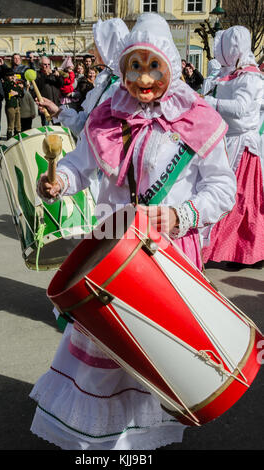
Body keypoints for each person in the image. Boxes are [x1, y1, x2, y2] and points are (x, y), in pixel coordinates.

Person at [30, 13, 236, 450]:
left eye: (153, 66)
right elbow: (77, 166)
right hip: (112, 254)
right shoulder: (106, 115)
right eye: (133, 67)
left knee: (155, 356)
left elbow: (223, 190)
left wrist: (181, 215)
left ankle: (140, 446)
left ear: (171, 65)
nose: (143, 78)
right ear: (121, 68)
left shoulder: (198, 118)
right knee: (105, 355)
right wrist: (58, 181)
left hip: (168, 256)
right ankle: (100, 447)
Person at [202, 26, 264, 267]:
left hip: (242, 147)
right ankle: (238, 253)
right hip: (227, 141)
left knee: (238, 200)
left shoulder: (249, 77)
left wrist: (209, 102)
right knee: (233, 199)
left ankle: (244, 252)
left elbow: (241, 108)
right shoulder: (232, 74)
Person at [35, 56, 63, 126]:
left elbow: (61, 84)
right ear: (41, 65)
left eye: (48, 64)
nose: (47, 66)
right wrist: (46, 75)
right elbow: (39, 86)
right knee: (45, 127)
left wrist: (58, 76)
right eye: (45, 64)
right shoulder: (38, 75)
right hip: (45, 106)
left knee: (57, 126)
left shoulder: (53, 74)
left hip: (55, 104)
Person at [3, 69, 24, 139]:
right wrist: (13, 81)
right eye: (10, 76)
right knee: (11, 123)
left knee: (18, 123)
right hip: (10, 106)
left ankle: (17, 136)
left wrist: (18, 92)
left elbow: (21, 94)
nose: (12, 77)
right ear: (7, 77)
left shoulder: (15, 84)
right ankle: (9, 137)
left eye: (12, 75)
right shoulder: (6, 83)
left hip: (17, 106)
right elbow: (7, 89)